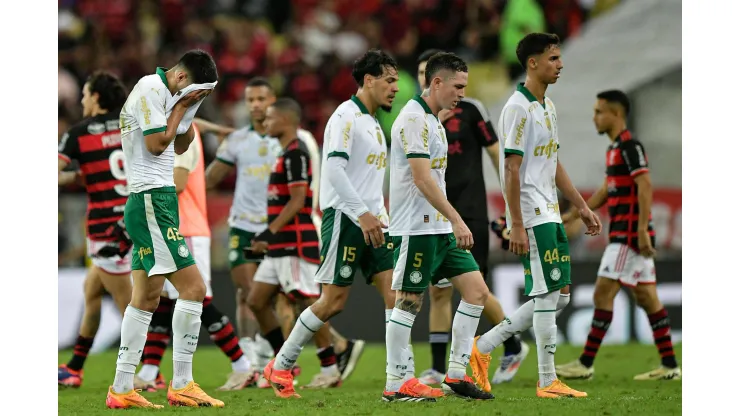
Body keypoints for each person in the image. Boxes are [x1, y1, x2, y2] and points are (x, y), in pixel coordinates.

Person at [468, 33, 602, 399]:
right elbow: (511, 169)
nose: (560, 64)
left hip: (551, 210)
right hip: (531, 212)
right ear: (533, 63)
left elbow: (553, 162)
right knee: (547, 295)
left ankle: (483, 346)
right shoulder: (517, 108)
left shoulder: (547, 106)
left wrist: (582, 205)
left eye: (559, 58)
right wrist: (515, 222)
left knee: (558, 297)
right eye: (554, 58)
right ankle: (547, 380)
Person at [205, 79, 364, 385]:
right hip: (269, 238)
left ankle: (327, 365)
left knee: (305, 302)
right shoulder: (276, 148)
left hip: (292, 239)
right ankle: (280, 362)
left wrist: (270, 230)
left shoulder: (296, 150)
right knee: (254, 298)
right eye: (251, 101)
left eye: (269, 111)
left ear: (285, 117)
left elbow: (300, 199)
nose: (261, 114)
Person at [264, 49, 399, 398]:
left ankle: (399, 378)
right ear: (369, 80)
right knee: (332, 302)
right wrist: (362, 213)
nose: (395, 88)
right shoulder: (345, 117)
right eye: (389, 80)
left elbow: (367, 179)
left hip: (374, 224)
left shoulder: (373, 122)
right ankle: (281, 365)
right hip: (345, 219)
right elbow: (335, 171)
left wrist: (379, 215)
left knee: (395, 295)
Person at [104, 50, 223, 409]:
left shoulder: (170, 96)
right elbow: (157, 146)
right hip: (151, 199)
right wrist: (180, 106)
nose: (200, 100)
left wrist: (189, 108)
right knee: (194, 288)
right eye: (199, 93)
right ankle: (183, 382)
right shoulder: (149, 90)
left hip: (155, 200)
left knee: (146, 297)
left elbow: (182, 142)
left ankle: (122, 388)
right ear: (184, 79)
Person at [384, 52, 494, 402]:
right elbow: (422, 179)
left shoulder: (431, 119)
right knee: (409, 302)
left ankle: (457, 375)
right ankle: (394, 383)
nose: (462, 94)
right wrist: (458, 218)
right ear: (437, 83)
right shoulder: (414, 119)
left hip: (438, 229)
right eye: (458, 86)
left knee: (476, 291)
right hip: (416, 228)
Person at [414, 49, 528, 386]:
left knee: (473, 286)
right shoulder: (420, 117)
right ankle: (438, 367)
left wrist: (509, 207)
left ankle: (512, 343)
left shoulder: (471, 109)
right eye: (421, 73)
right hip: (436, 214)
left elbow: (498, 155)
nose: (425, 79)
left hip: (472, 213)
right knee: (438, 290)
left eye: (429, 72)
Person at [555, 90, 681, 381]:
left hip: (627, 236)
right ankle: (670, 365)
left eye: (599, 111)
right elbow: (606, 190)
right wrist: (577, 213)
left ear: (616, 114)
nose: (594, 117)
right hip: (628, 235)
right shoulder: (614, 149)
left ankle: (585, 364)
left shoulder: (630, 146)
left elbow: (645, 185)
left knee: (602, 293)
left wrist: (640, 230)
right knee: (648, 297)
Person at [132, 124, 256, 392]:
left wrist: (142, 183)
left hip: (185, 226)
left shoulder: (181, 132)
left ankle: (243, 366)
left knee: (199, 298)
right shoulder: (170, 128)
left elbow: (179, 182)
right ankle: (151, 370)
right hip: (170, 226)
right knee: (164, 302)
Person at [57, 71, 133, 388]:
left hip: (105, 229)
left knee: (129, 306)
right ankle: (75, 367)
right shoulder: (132, 126)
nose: (82, 99)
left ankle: (146, 373)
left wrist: (75, 176)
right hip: (134, 219)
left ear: (97, 98)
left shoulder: (78, 133)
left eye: (86, 94)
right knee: (92, 292)